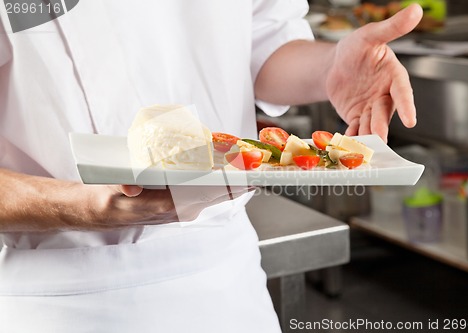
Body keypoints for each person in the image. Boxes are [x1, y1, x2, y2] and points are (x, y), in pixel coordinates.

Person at [0, 1, 423, 332]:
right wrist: (81, 207)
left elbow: (265, 42)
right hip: (57, 297)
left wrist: (331, 66)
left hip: (227, 283)